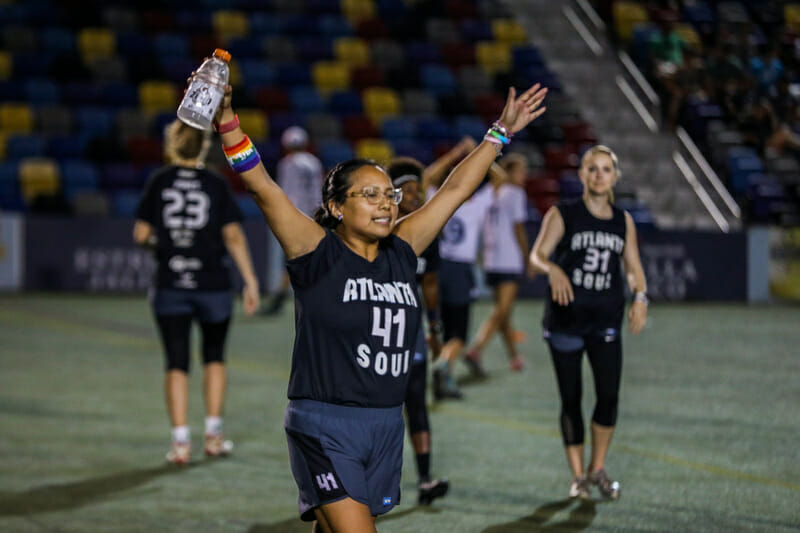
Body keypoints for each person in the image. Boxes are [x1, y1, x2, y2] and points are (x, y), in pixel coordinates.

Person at [210, 76, 546, 530]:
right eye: (369, 195)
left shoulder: (403, 250)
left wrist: (499, 134)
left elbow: (452, 191)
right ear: (335, 206)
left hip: (386, 426)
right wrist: (227, 120)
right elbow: (263, 187)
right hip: (324, 425)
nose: (386, 204)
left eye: (388, 194)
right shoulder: (315, 252)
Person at [133, 119, 260, 464]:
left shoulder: (159, 180)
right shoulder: (215, 183)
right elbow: (233, 236)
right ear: (204, 146)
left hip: (171, 283)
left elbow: (141, 234)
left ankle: (180, 443)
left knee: (176, 361)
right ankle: (214, 436)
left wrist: (166, 246)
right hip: (213, 284)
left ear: (172, 144)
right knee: (214, 357)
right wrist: (250, 280)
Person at [528, 145, 647, 500]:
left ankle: (598, 469)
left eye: (605, 169)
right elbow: (537, 256)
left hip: (605, 320)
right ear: (582, 174)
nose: (598, 175)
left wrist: (640, 296)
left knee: (608, 396)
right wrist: (553, 270)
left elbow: (633, 267)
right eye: (592, 169)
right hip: (566, 320)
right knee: (572, 398)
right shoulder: (563, 213)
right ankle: (578, 476)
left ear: (615, 176)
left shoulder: (622, 221)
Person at [386, 157, 448, 506]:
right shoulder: (376, 232)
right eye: (407, 191)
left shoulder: (426, 235)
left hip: (411, 336)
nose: (415, 197)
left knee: (417, 406)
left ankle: (425, 480)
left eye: (417, 191)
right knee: (379, 412)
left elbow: (431, 283)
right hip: (376, 339)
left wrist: (435, 328)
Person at [465, 153, 530, 374]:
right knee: (501, 311)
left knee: (504, 312)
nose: (524, 176)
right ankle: (476, 349)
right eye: (520, 170)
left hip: (492, 259)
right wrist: (527, 256)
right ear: (508, 172)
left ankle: (514, 357)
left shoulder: (490, 193)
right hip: (509, 259)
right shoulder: (516, 194)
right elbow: (518, 228)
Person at [261, 125, 324, 315]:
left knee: (293, 258)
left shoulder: (287, 163)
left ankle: (280, 297)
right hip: (313, 214)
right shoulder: (314, 162)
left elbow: (285, 192)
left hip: (292, 215)